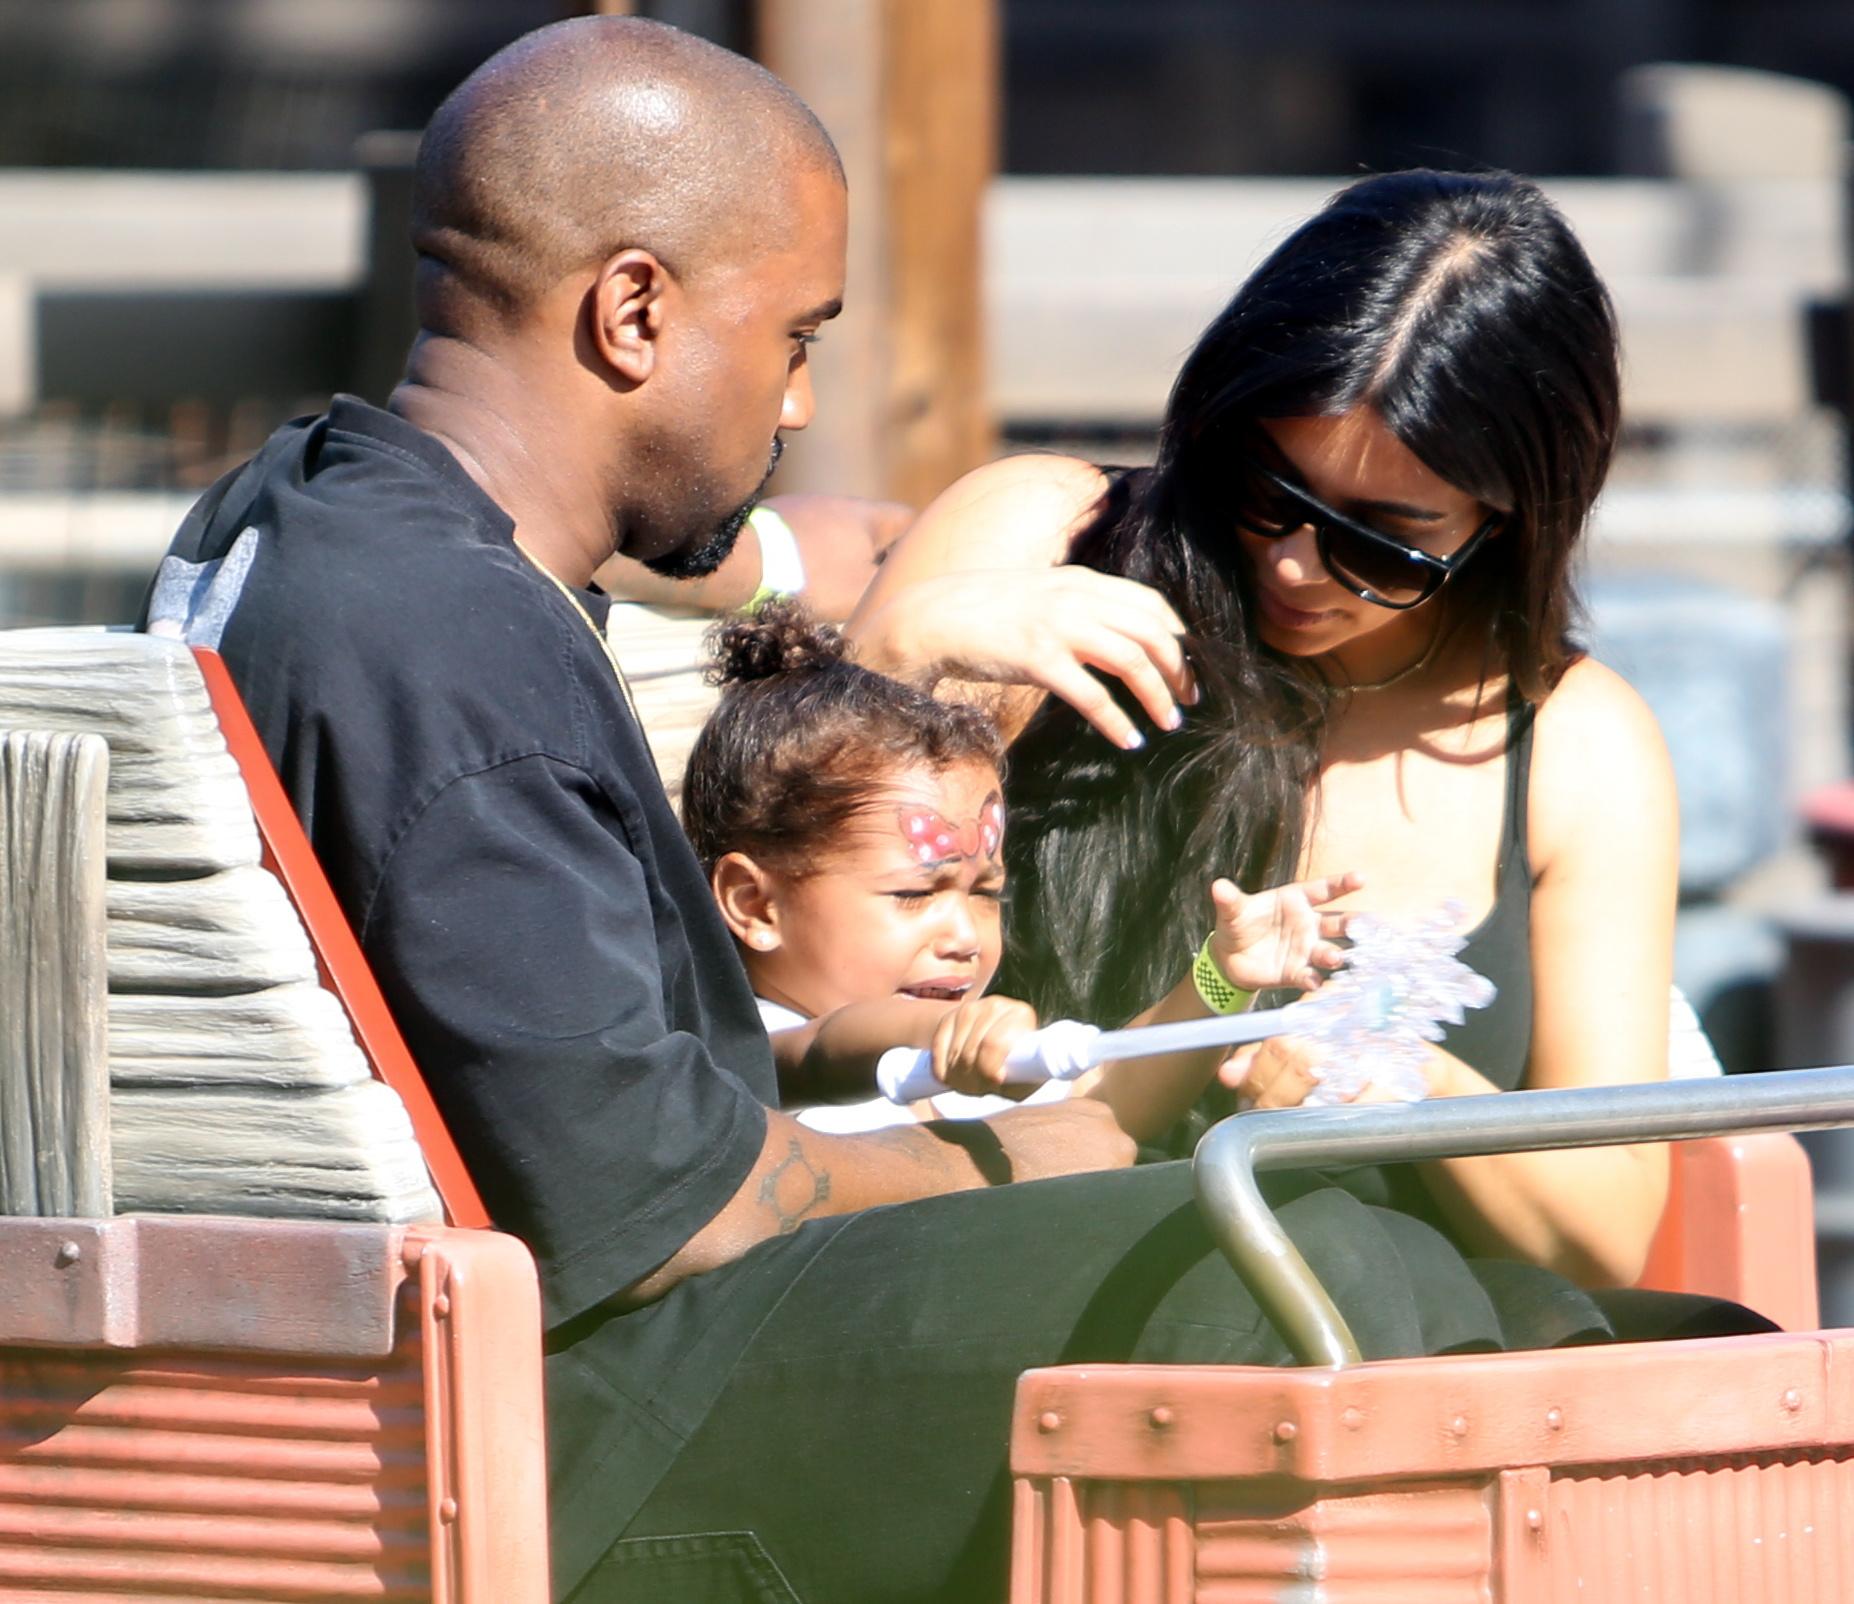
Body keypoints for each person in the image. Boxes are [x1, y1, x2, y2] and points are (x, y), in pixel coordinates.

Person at [136, 28, 1764, 1597]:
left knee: (1436, 1282)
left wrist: (1290, 1074)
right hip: (577, 1425)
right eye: (793, 339)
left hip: (533, 1357)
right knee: (1307, 1265)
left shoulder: (300, 531)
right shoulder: (445, 644)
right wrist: (1037, 1138)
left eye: (1384, 542)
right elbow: (687, 1192)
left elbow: (641, 1095)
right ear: (632, 310)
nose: (792, 408)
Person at [847, 167, 1751, 1289]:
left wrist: (1402, 1074)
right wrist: (910, 642)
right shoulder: (1042, 536)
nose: (1291, 562)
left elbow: (1602, 1233)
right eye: (1265, 486)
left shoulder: (1575, 745)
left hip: (1387, 1361)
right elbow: (771, 934)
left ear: (1511, 516)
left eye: (1382, 539)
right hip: (977, 1282)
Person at [681, 599, 1355, 1134]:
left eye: (984, 893)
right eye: (916, 893)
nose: (965, 938)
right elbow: (831, 1050)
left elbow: (1107, 1098)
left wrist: (1221, 978)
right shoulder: (725, 1064)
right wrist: (937, 1030)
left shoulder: (973, 1067)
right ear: (755, 904)